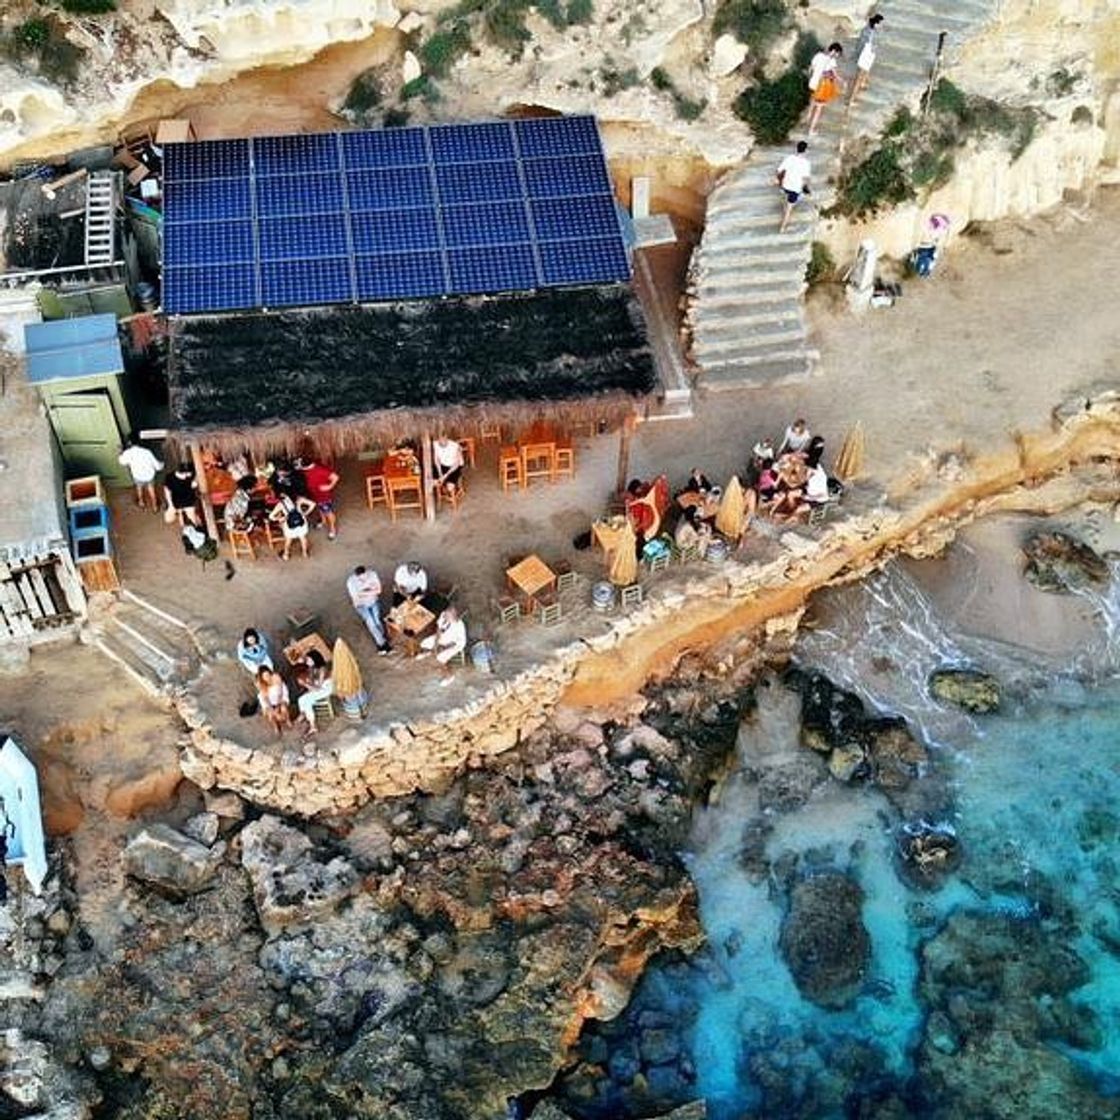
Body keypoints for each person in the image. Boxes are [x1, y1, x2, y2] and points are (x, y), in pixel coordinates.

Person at [347, 565, 391, 654]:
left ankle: (381, 637)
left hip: (373, 602)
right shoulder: (351, 582)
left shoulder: (373, 574)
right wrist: (371, 591)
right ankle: (382, 644)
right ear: (356, 576)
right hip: (361, 605)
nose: (364, 580)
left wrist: (363, 592)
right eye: (361, 579)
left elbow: (379, 590)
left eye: (365, 577)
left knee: (377, 621)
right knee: (372, 624)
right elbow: (356, 596)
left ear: (366, 572)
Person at [418, 606, 467, 685]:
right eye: (446, 615)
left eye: (448, 616)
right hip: (444, 637)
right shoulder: (443, 614)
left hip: (455, 644)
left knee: (440, 658)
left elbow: (455, 643)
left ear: (453, 617)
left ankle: (449, 676)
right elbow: (439, 629)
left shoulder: (458, 626)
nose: (445, 617)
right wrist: (436, 643)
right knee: (424, 643)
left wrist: (443, 648)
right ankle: (429, 652)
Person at [118, 434, 163, 511]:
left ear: (129, 443)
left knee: (139, 488)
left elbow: (121, 462)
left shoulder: (128, 453)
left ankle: (141, 502)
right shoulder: (147, 452)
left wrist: (120, 452)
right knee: (151, 489)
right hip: (149, 475)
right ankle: (155, 505)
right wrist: (162, 464)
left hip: (137, 476)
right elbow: (158, 466)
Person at [294, 649, 333, 737]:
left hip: (326, 688)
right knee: (301, 699)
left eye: (309, 659)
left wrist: (306, 684)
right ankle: (303, 714)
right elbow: (312, 683)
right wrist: (306, 682)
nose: (308, 661)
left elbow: (318, 688)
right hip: (318, 688)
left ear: (315, 659)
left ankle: (313, 726)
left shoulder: (322, 669)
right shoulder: (312, 668)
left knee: (307, 700)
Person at [807, 42, 843, 135]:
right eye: (837, 54)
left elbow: (811, 68)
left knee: (812, 100)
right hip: (821, 87)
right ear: (834, 51)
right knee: (819, 109)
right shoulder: (831, 61)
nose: (837, 56)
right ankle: (811, 130)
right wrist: (842, 81)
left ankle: (808, 117)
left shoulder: (818, 55)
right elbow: (834, 76)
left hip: (812, 84)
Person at [776, 141, 812, 233]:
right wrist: (807, 189)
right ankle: (782, 228)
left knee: (786, 199)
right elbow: (805, 179)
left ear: (797, 149)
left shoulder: (789, 158)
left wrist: (780, 182)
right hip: (795, 189)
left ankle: (786, 202)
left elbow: (779, 170)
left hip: (785, 186)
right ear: (806, 151)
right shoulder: (806, 163)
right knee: (789, 209)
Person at [301, 458, 340, 540]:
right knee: (320, 509)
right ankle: (323, 521)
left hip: (324, 496)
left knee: (328, 512)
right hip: (315, 495)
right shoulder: (306, 470)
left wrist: (329, 486)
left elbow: (335, 477)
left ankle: (332, 529)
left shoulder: (320, 470)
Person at [269, 492, 316, 560]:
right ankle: (304, 553)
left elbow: (271, 516)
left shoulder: (281, 504)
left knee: (288, 540)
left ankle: (286, 555)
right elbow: (313, 504)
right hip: (301, 522)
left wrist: (281, 518)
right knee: (303, 538)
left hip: (290, 525)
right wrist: (305, 513)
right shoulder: (299, 499)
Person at [849, 14, 884, 106]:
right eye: (881, 24)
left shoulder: (866, 29)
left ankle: (863, 84)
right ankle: (851, 99)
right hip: (866, 56)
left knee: (862, 75)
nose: (882, 26)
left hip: (864, 55)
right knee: (858, 78)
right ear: (877, 24)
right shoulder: (872, 33)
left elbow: (860, 43)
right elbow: (871, 45)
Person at [256, 667, 290, 737]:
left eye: (268, 675)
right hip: (269, 701)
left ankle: (288, 720)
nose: (267, 677)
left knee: (283, 708)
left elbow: (281, 692)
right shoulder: (261, 685)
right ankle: (276, 726)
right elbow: (265, 699)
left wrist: (278, 705)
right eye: (265, 676)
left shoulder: (276, 678)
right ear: (262, 678)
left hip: (280, 697)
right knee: (270, 714)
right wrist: (271, 708)